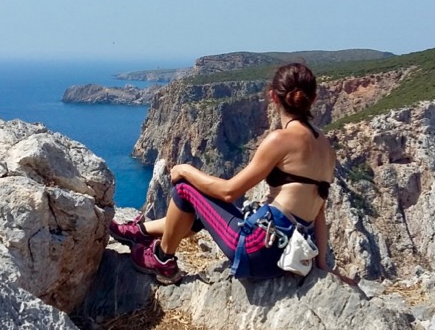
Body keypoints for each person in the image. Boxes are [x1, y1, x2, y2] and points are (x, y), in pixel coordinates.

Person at [108, 62, 336, 284]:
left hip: (258, 249)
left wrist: (184, 169)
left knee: (185, 189)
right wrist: (322, 266)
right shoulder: (326, 147)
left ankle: (162, 259)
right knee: (201, 209)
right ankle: (140, 231)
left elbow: (228, 192)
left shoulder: (280, 139)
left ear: (273, 97)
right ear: (313, 99)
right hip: (288, 253)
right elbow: (319, 212)